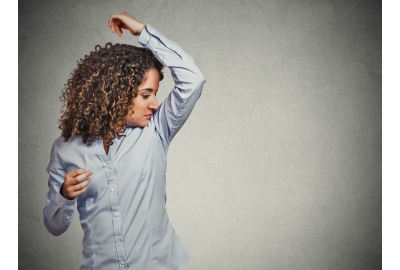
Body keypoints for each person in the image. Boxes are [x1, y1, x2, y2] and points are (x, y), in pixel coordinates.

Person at [43, 12, 205, 270]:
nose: (154, 103)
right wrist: (64, 196)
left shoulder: (156, 129)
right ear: (115, 94)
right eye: (145, 94)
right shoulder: (65, 149)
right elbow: (54, 226)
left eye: (154, 93)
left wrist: (143, 32)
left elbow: (193, 80)